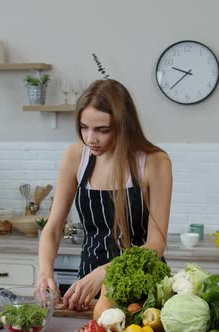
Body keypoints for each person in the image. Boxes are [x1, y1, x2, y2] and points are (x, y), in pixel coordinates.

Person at [37, 79, 173, 314]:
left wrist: (107, 271)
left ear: (123, 125)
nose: (90, 139)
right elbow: (54, 227)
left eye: (102, 130)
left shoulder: (154, 162)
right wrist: (44, 273)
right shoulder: (75, 157)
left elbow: (155, 245)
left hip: (142, 288)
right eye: (84, 127)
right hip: (88, 286)